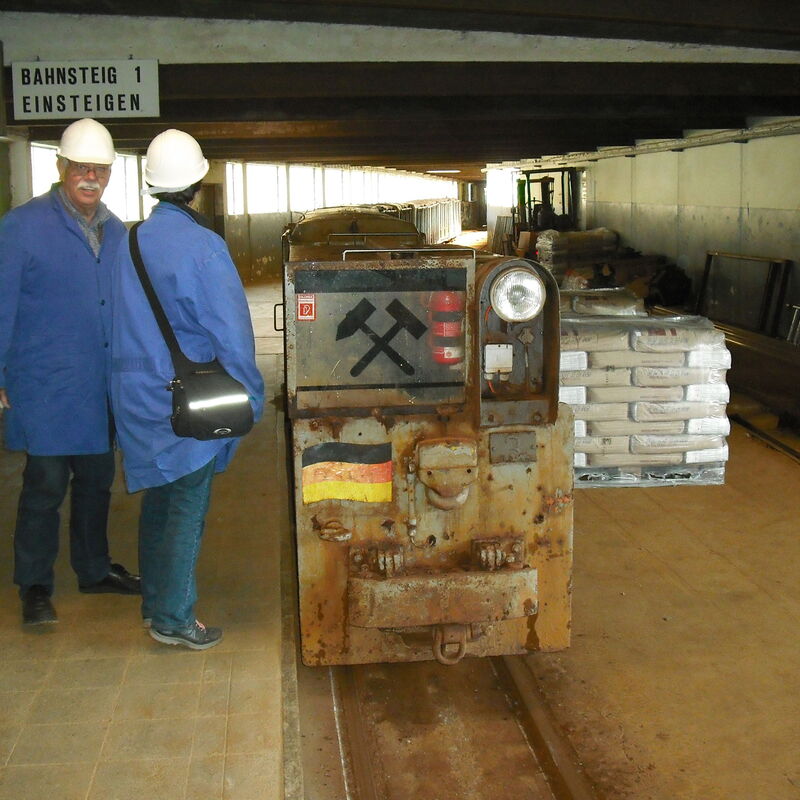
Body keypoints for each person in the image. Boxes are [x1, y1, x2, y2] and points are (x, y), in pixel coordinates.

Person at [110, 129, 264, 650]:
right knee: (185, 507)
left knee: (159, 498)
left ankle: (155, 604)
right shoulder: (203, 247)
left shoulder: (126, 242)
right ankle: (175, 619)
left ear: (151, 185)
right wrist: (252, 395)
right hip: (185, 400)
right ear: (197, 183)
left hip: (135, 396)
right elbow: (232, 333)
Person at [0, 118, 141, 626]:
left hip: (98, 385)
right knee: (44, 486)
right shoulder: (22, 226)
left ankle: (94, 568)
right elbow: (1, 305)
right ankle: (34, 586)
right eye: (80, 168)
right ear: (60, 168)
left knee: (97, 481)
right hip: (45, 385)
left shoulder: (117, 230)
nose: (90, 178)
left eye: (99, 170)